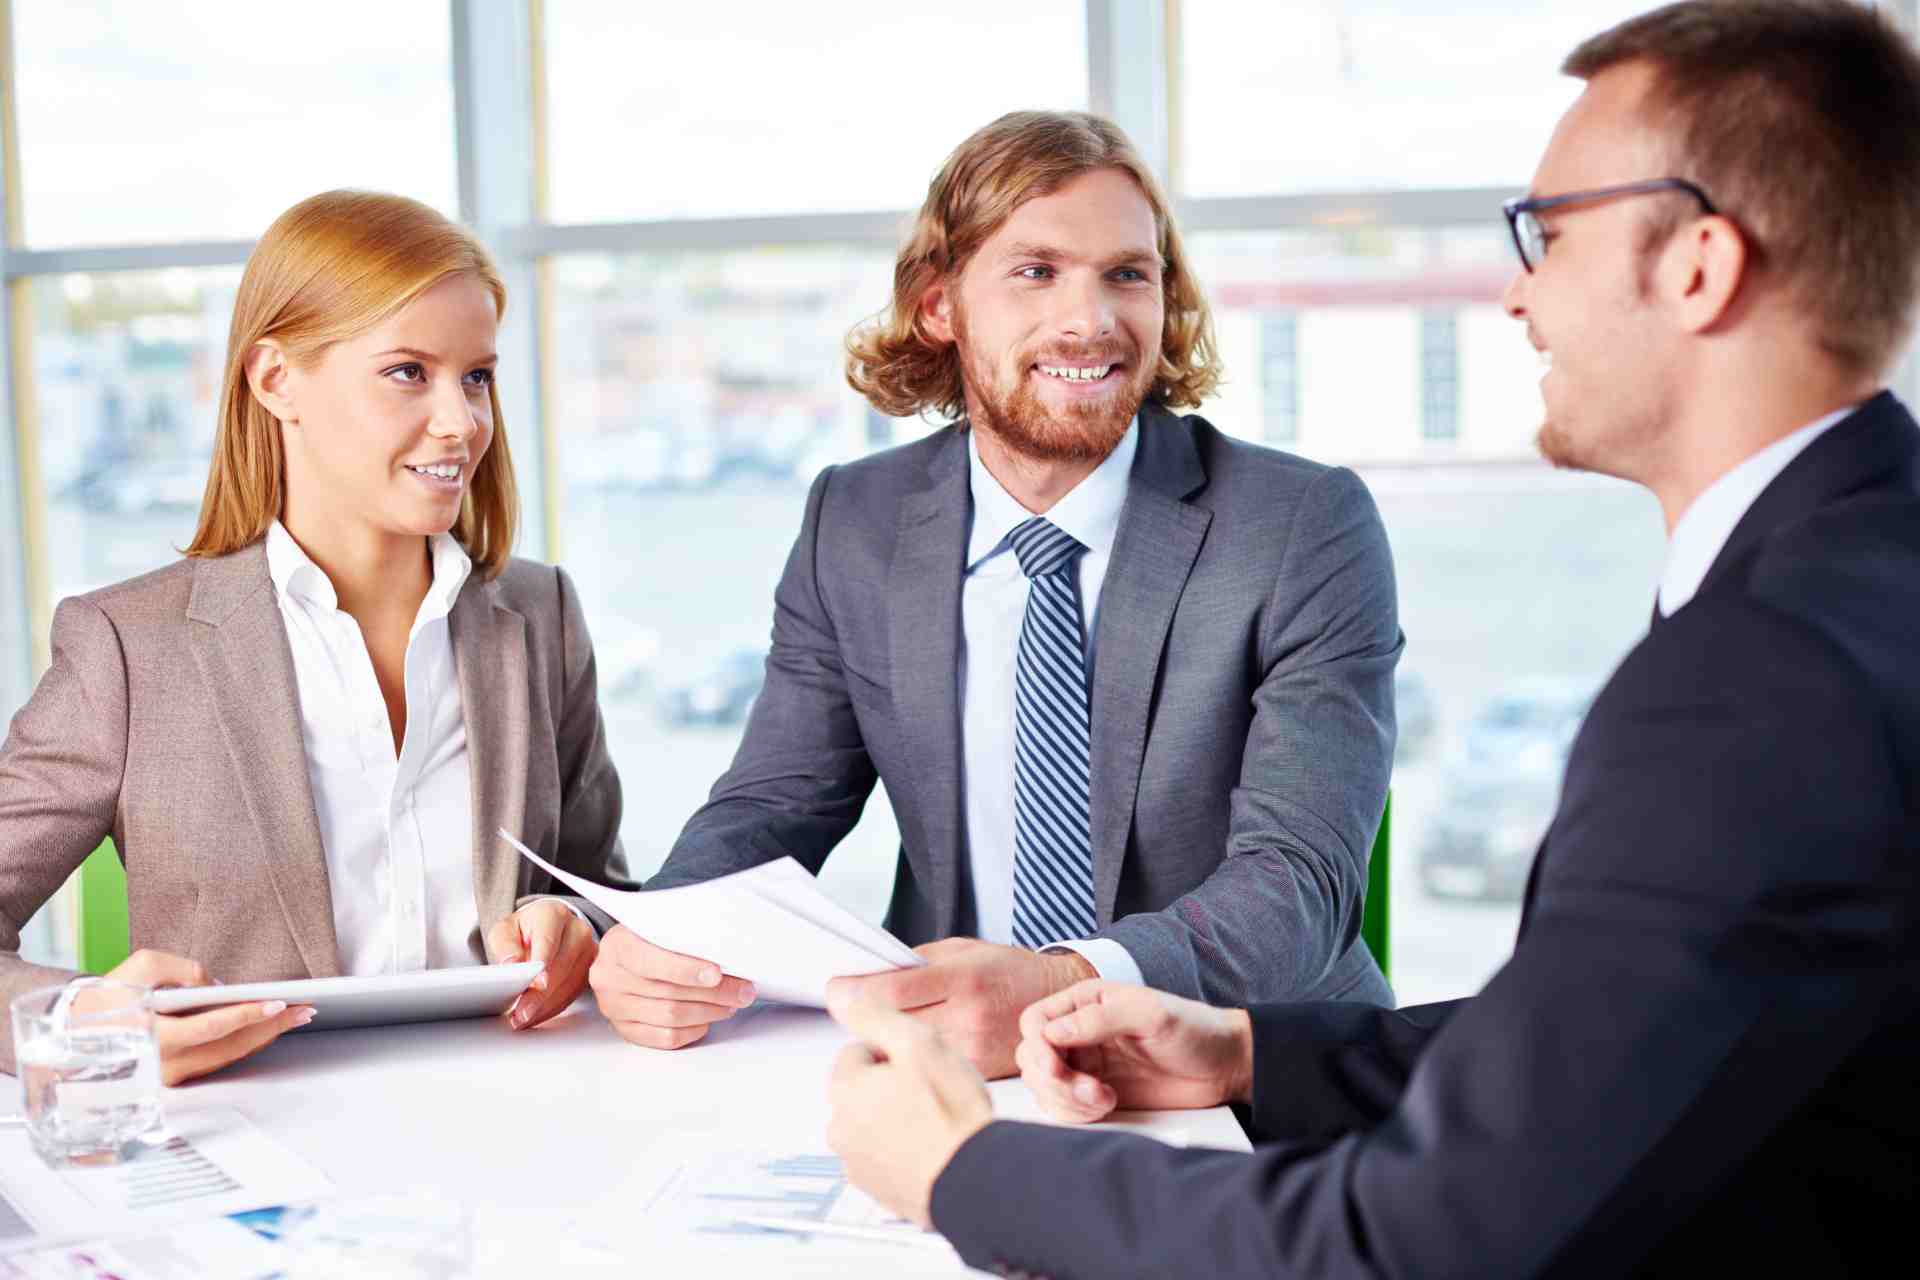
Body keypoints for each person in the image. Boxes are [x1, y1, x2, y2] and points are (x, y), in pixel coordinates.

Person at [823, 1, 1920, 1273]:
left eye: (1548, 233)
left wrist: (968, 1170)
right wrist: (1247, 1049)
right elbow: (1615, 1037)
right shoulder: (1847, 581)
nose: (1516, 294)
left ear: (1699, 267)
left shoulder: (1760, 677)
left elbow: (1416, 1236)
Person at [589, 111, 1400, 1072]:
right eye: (1036, 272)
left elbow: (1299, 884)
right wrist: (665, 935)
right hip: (949, 1057)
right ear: (940, 306)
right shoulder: (856, 518)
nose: (1090, 321)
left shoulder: (1302, 524)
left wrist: (1061, 983)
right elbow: (775, 803)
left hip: (1246, 1065)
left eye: (1127, 275)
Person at [0, 191, 631, 1083]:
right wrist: (83, 1020)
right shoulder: (128, 648)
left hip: (517, 1126)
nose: (462, 422)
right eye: (409, 372)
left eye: (477, 376)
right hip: (258, 1157)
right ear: (275, 379)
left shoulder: (541, 619)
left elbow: (601, 889)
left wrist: (583, 930)